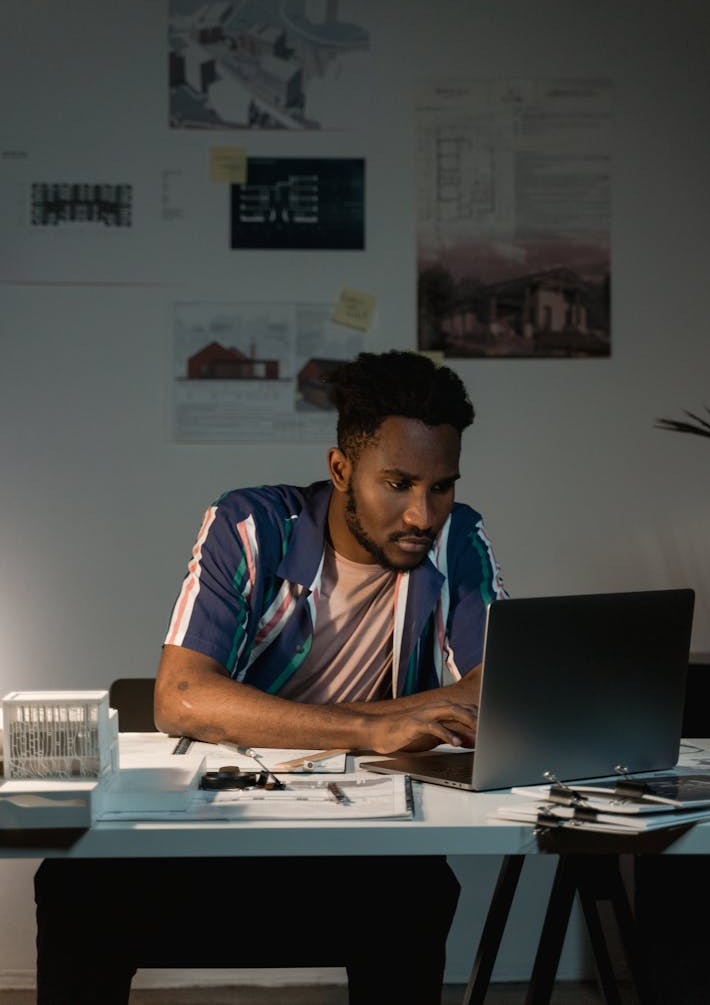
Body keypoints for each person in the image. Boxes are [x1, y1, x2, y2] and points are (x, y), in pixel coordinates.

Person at [34, 349, 506, 1005]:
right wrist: (375, 724)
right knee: (76, 882)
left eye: (441, 485)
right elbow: (180, 694)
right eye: (397, 483)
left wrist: (378, 718)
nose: (422, 514)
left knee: (416, 889)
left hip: (361, 850)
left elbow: (501, 690)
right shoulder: (252, 526)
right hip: (219, 836)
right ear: (341, 469)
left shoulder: (457, 539)